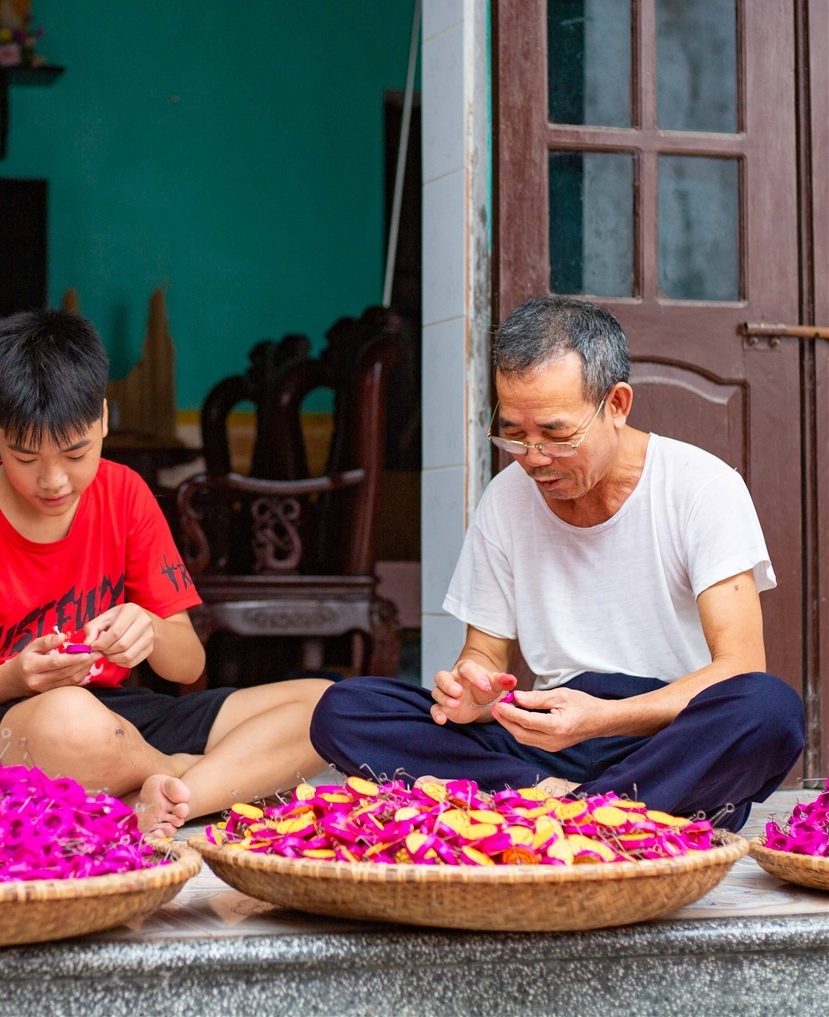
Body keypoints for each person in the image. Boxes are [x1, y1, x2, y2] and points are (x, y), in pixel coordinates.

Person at [310, 296, 805, 831]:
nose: (534, 458)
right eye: (515, 435)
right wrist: (471, 690)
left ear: (616, 404)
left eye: (555, 433)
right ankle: (604, 811)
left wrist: (603, 719)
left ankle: (558, 811)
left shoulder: (702, 488)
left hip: (666, 736)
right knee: (345, 708)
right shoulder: (507, 498)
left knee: (768, 708)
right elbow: (483, 651)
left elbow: (737, 666)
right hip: (544, 741)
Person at [0, 309, 330, 835]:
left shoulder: (124, 494)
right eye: (25, 457)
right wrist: (13, 677)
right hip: (18, 724)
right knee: (70, 719)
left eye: (76, 453)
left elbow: (187, 666)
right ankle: (189, 780)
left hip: (121, 717)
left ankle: (159, 797)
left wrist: (146, 627)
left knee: (324, 705)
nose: (53, 480)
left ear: (102, 418)